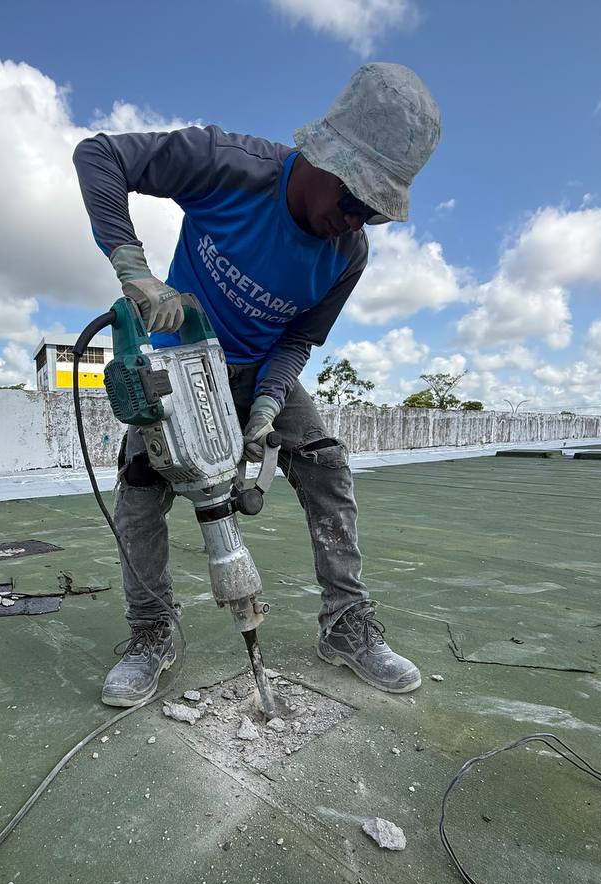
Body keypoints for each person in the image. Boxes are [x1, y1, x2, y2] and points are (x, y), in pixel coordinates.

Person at [73, 63, 441, 708]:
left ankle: (346, 627)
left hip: (261, 370)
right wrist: (135, 271)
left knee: (325, 465)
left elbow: (297, 338)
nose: (355, 222)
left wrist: (268, 405)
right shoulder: (227, 165)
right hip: (183, 361)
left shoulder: (347, 254)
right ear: (325, 159)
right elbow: (98, 156)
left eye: (374, 215)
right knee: (140, 486)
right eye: (354, 202)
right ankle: (151, 632)